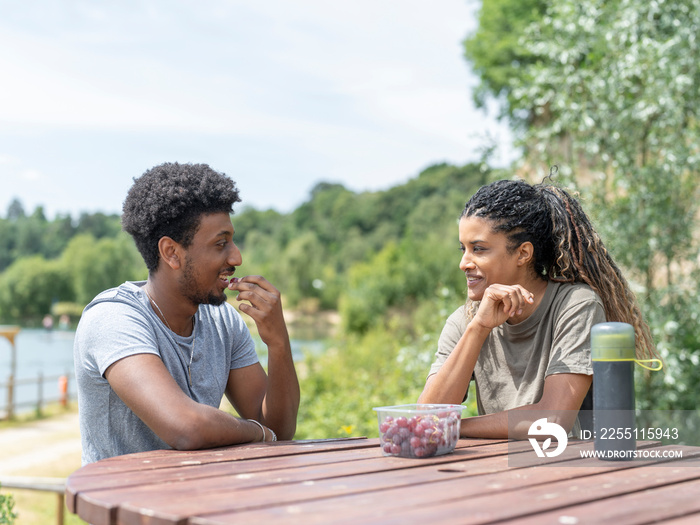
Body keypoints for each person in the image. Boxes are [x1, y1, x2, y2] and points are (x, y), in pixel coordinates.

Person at [74, 162, 300, 464]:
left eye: (232, 241)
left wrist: (279, 343)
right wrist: (258, 433)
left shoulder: (224, 322)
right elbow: (186, 427)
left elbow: (279, 430)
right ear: (171, 253)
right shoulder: (114, 319)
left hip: (201, 504)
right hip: (128, 508)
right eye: (220, 244)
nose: (237, 257)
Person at [418, 178, 656, 438]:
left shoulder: (575, 305)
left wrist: (455, 427)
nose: (464, 263)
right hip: (491, 472)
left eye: (479, 249)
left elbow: (554, 420)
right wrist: (478, 329)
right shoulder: (466, 321)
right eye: (463, 249)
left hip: (564, 471)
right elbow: (427, 413)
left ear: (523, 254)